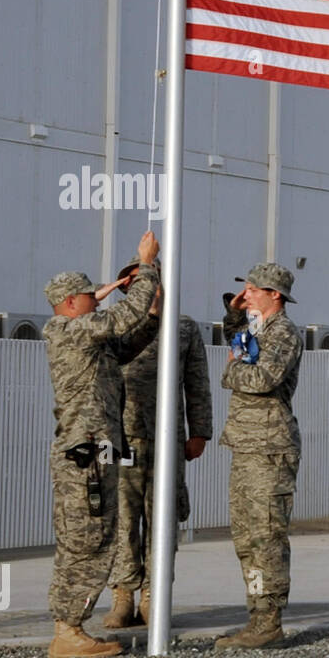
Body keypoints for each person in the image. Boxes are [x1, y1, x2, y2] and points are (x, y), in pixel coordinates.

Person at [42, 231, 160, 658]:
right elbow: (119, 319)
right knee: (88, 539)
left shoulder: (86, 336)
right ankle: (69, 630)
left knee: (94, 534)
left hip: (97, 451)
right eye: (90, 296)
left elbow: (128, 339)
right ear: (71, 303)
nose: (98, 299)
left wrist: (152, 311)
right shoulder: (68, 329)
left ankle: (70, 626)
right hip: (85, 456)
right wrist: (145, 264)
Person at [103, 260, 214, 628]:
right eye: (135, 282)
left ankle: (153, 593)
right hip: (123, 436)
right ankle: (123, 595)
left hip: (166, 439)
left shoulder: (183, 327)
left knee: (162, 518)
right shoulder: (115, 324)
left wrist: (199, 431)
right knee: (122, 518)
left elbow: (197, 382)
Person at [215, 262, 303, 650]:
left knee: (266, 536)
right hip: (247, 446)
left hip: (269, 449)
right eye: (245, 287)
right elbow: (241, 349)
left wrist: (229, 373)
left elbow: (261, 378)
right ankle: (256, 617)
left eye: (254, 289)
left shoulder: (283, 333)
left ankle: (269, 622)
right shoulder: (256, 328)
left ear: (275, 295)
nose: (246, 293)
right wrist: (235, 318)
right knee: (246, 538)